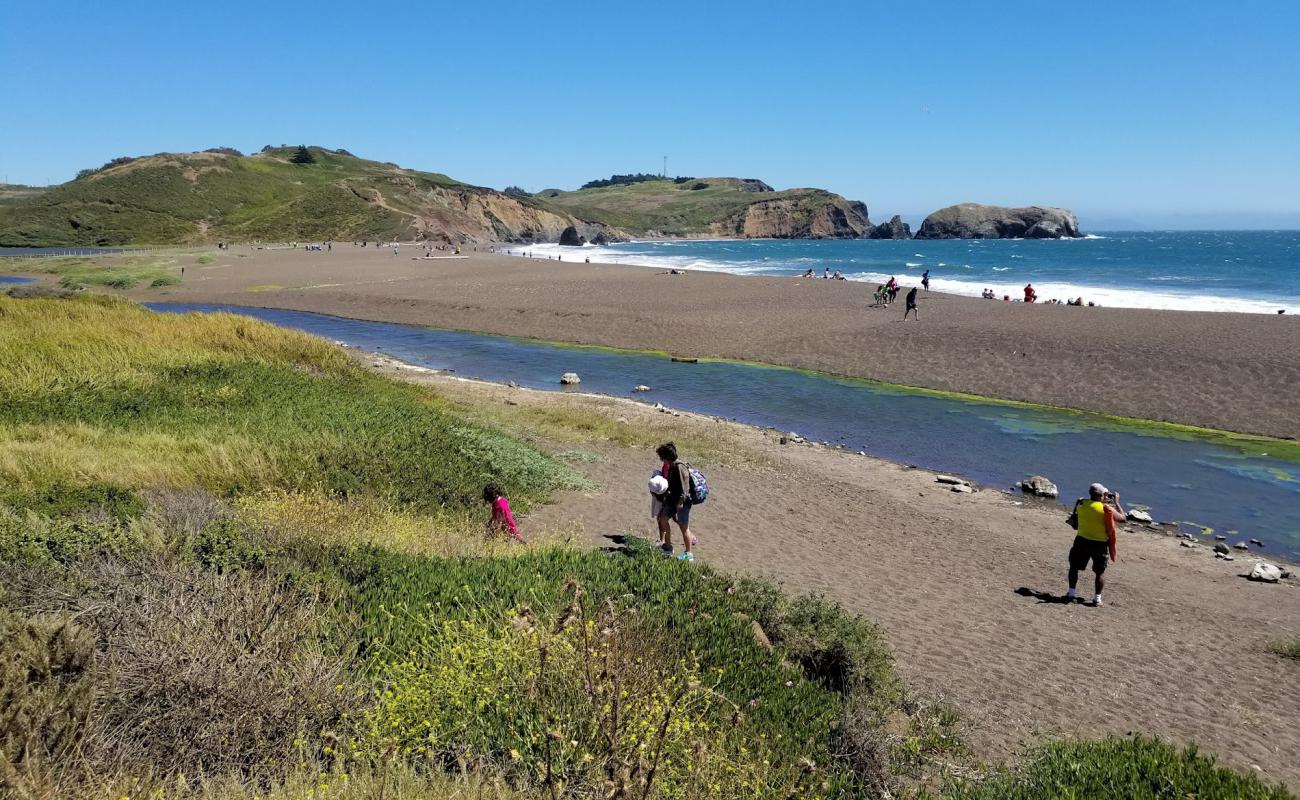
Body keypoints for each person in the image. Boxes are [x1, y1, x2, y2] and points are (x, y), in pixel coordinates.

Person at [1066, 483, 1126, 606]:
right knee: (1100, 571)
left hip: (1081, 540)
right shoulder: (1105, 508)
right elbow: (1123, 518)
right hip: (1099, 543)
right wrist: (1117, 503)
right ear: (1102, 495)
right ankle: (1097, 598)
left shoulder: (1081, 503)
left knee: (1074, 567)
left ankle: (1071, 593)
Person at [655, 442, 695, 561]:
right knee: (663, 519)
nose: (661, 460)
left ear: (667, 456)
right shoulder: (672, 465)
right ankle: (668, 546)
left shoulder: (679, 467)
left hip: (682, 503)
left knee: (684, 528)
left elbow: (684, 489)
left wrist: (680, 503)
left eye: (662, 457)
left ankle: (688, 554)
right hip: (672, 500)